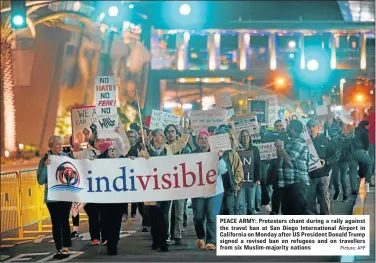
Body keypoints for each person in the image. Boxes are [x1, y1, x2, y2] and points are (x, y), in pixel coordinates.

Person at [140, 128, 189, 252]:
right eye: (161, 135)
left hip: (166, 188)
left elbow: (180, 144)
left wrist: (186, 132)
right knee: (154, 216)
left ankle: (164, 241)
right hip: (152, 188)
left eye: (163, 135)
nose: (163, 137)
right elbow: (138, 165)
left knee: (164, 215)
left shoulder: (168, 148)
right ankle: (155, 238)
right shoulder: (145, 152)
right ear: (154, 137)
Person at [37, 136, 72, 259]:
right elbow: (40, 181)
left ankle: (66, 248)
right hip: (52, 197)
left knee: (64, 221)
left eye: (61, 144)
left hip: (65, 195)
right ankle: (59, 248)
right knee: (56, 223)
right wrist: (46, 167)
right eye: (58, 144)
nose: (60, 146)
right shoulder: (44, 160)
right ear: (51, 146)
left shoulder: (66, 157)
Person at [191, 130, 226, 250]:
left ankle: (211, 241)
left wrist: (220, 158)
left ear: (209, 140)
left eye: (206, 138)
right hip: (199, 191)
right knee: (198, 217)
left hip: (215, 190)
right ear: (198, 142)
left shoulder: (216, 153)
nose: (203, 141)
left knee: (212, 216)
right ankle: (201, 237)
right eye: (201, 139)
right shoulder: (192, 155)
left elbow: (223, 170)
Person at [97, 141, 126, 255]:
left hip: (118, 198)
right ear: (106, 151)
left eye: (114, 150)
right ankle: (107, 239)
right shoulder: (98, 162)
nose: (113, 152)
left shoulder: (122, 160)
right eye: (110, 149)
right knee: (104, 221)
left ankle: (113, 244)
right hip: (104, 199)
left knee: (116, 222)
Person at [164, 124, 191, 245]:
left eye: (172, 131)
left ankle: (178, 234)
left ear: (176, 133)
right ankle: (167, 235)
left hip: (180, 183)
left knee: (179, 210)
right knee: (167, 212)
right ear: (165, 134)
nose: (170, 134)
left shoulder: (184, 148)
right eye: (168, 132)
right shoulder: (163, 148)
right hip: (166, 184)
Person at [275, 120, 309, 215]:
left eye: (288, 127)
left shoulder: (299, 142)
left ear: (293, 129)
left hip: (297, 183)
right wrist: (279, 148)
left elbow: (289, 159)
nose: (286, 129)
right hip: (287, 183)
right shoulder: (290, 142)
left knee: (298, 212)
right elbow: (281, 158)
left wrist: (281, 148)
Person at [306, 119, 337, 215]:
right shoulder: (304, 141)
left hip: (323, 174)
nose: (311, 128)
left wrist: (326, 161)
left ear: (318, 128)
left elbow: (334, 156)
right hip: (309, 176)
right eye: (309, 126)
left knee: (324, 198)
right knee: (310, 200)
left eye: (313, 126)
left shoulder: (325, 140)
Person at [214, 128, 243, 215]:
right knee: (218, 212)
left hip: (229, 188)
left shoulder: (233, 153)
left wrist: (235, 182)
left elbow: (239, 170)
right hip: (216, 189)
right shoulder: (212, 154)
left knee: (229, 210)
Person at [235, 129, 261, 215]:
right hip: (241, 180)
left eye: (247, 136)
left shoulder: (255, 149)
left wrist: (258, 179)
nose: (245, 138)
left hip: (252, 179)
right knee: (241, 204)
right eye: (243, 136)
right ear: (240, 138)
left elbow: (258, 164)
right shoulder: (237, 150)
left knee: (251, 204)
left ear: (249, 138)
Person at [267, 120, 289, 215]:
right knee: (276, 191)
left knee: (285, 193)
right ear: (274, 127)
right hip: (275, 169)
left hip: (286, 169)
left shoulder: (288, 137)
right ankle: (275, 211)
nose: (279, 127)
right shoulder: (270, 137)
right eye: (277, 126)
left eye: (280, 125)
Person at [331, 124, 355, 202]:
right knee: (335, 178)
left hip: (344, 161)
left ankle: (345, 195)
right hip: (335, 160)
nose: (343, 129)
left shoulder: (351, 139)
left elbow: (352, 151)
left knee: (342, 179)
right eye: (343, 128)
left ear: (349, 130)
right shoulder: (338, 137)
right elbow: (334, 145)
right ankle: (337, 191)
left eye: (345, 128)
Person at [350, 120, 374, 192]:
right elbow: (366, 143)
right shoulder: (365, 131)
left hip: (351, 152)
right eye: (368, 126)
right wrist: (366, 151)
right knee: (370, 163)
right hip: (360, 151)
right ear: (366, 125)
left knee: (352, 171)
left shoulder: (354, 129)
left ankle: (354, 189)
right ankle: (368, 181)